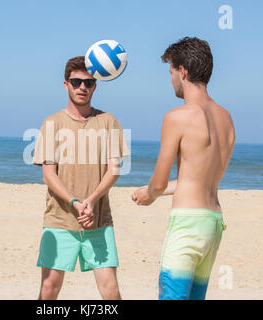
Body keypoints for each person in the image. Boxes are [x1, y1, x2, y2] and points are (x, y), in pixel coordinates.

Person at [132, 37, 235, 300]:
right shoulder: (226, 118)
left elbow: (158, 182)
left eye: (171, 73)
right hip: (213, 223)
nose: (170, 81)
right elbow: (196, 180)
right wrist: (156, 190)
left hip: (187, 224)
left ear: (183, 71)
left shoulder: (177, 117)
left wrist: (149, 194)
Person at [32, 56, 130, 300]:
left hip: (98, 220)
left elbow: (114, 169)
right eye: (76, 82)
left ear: (95, 85)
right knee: (48, 288)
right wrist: (76, 202)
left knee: (110, 289)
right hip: (59, 220)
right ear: (66, 85)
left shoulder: (109, 121)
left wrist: (92, 200)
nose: (82, 88)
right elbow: (48, 174)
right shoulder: (51, 123)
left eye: (88, 83)